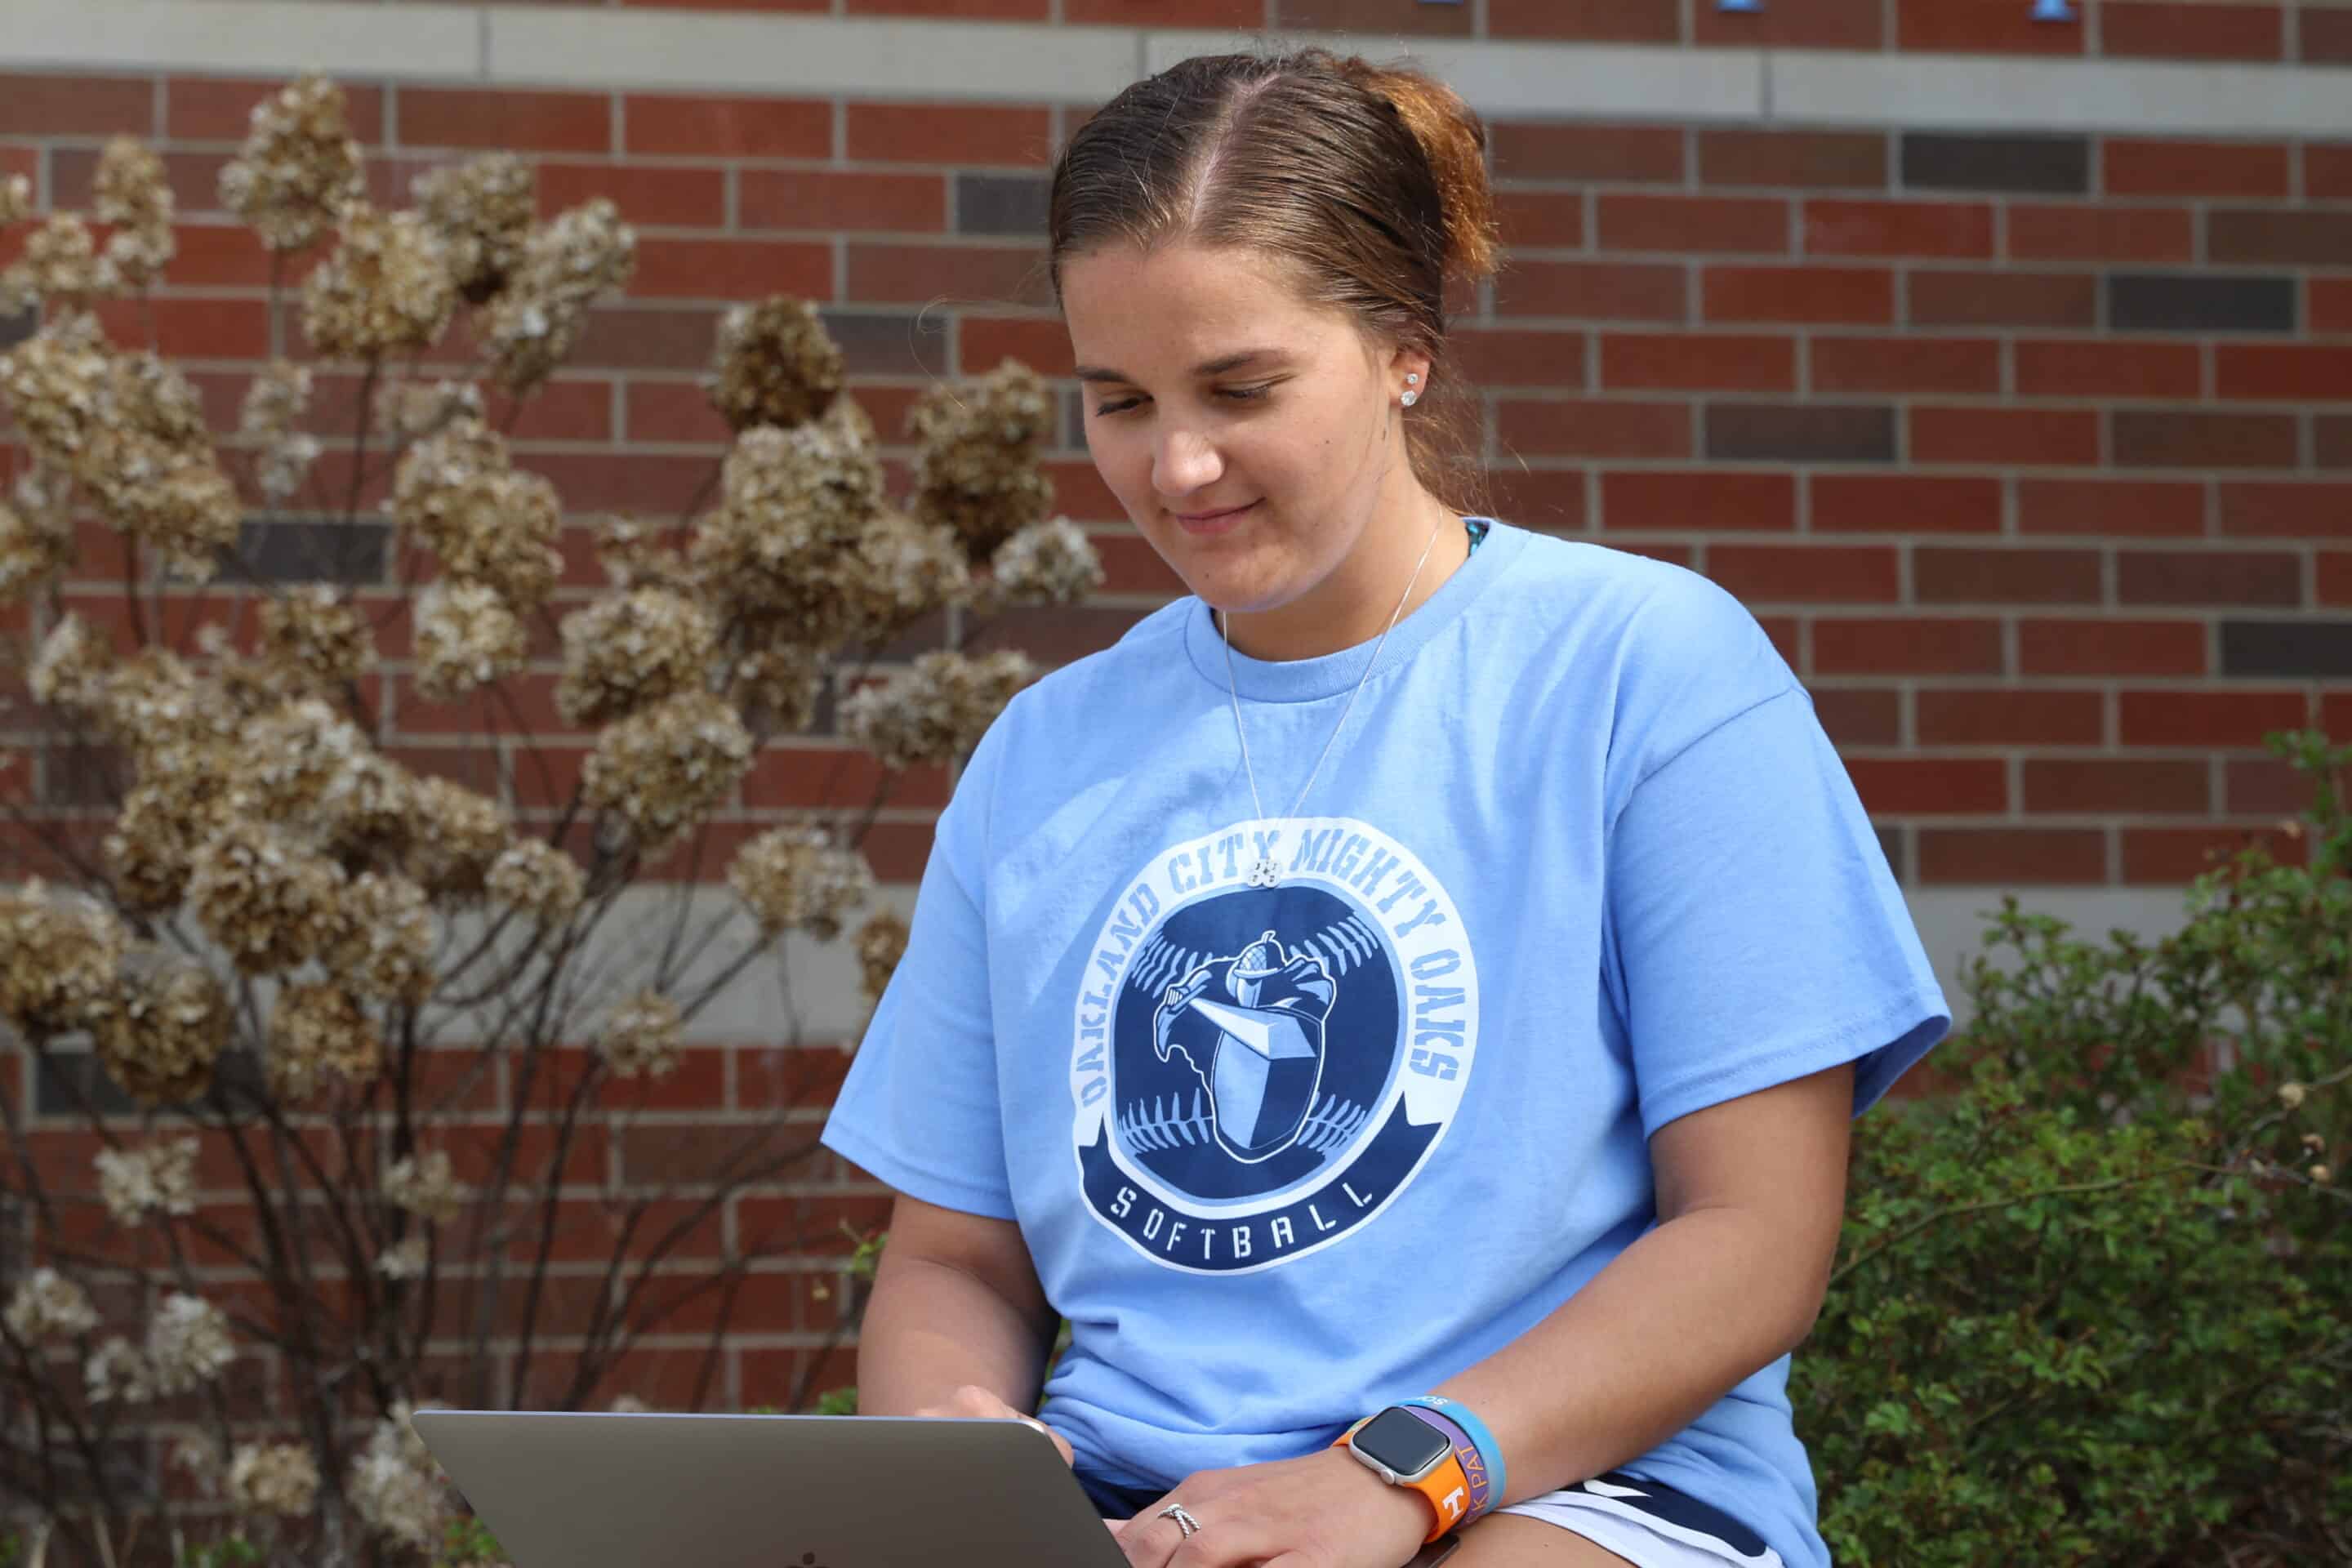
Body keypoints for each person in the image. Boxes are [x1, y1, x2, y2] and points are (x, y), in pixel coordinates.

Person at [818, 45, 1950, 1568]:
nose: (1177, 463)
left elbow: (1753, 1245)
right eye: (1118, 399)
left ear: (1405, 347)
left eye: (1241, 387)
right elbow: (957, 1259)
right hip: (1135, 1512)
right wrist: (955, 1471)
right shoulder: (1043, 753)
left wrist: (1397, 1474)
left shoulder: (1647, 673)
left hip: (1563, 1492)